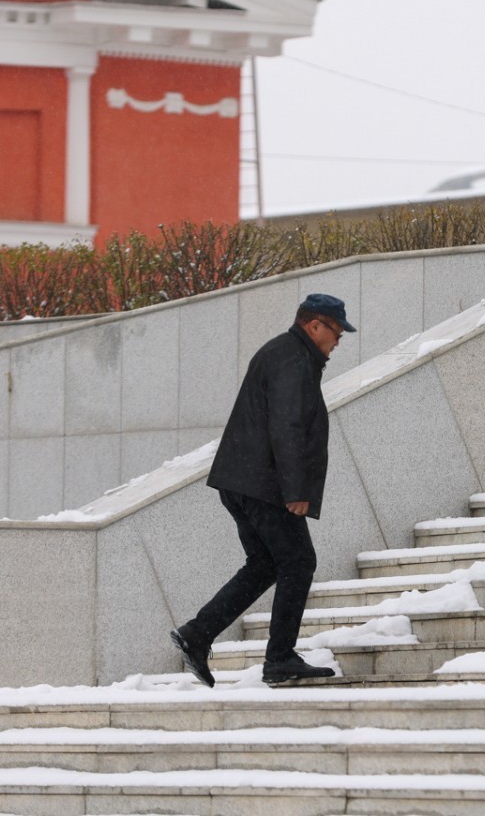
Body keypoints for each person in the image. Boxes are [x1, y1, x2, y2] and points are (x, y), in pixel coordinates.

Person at [170, 292, 356, 687]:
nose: (338, 340)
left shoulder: (288, 353)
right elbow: (286, 427)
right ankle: (280, 658)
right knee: (299, 561)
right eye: (337, 331)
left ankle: (197, 634)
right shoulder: (293, 359)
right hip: (264, 483)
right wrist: (294, 490)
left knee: (265, 563)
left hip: (241, 479)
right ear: (315, 325)